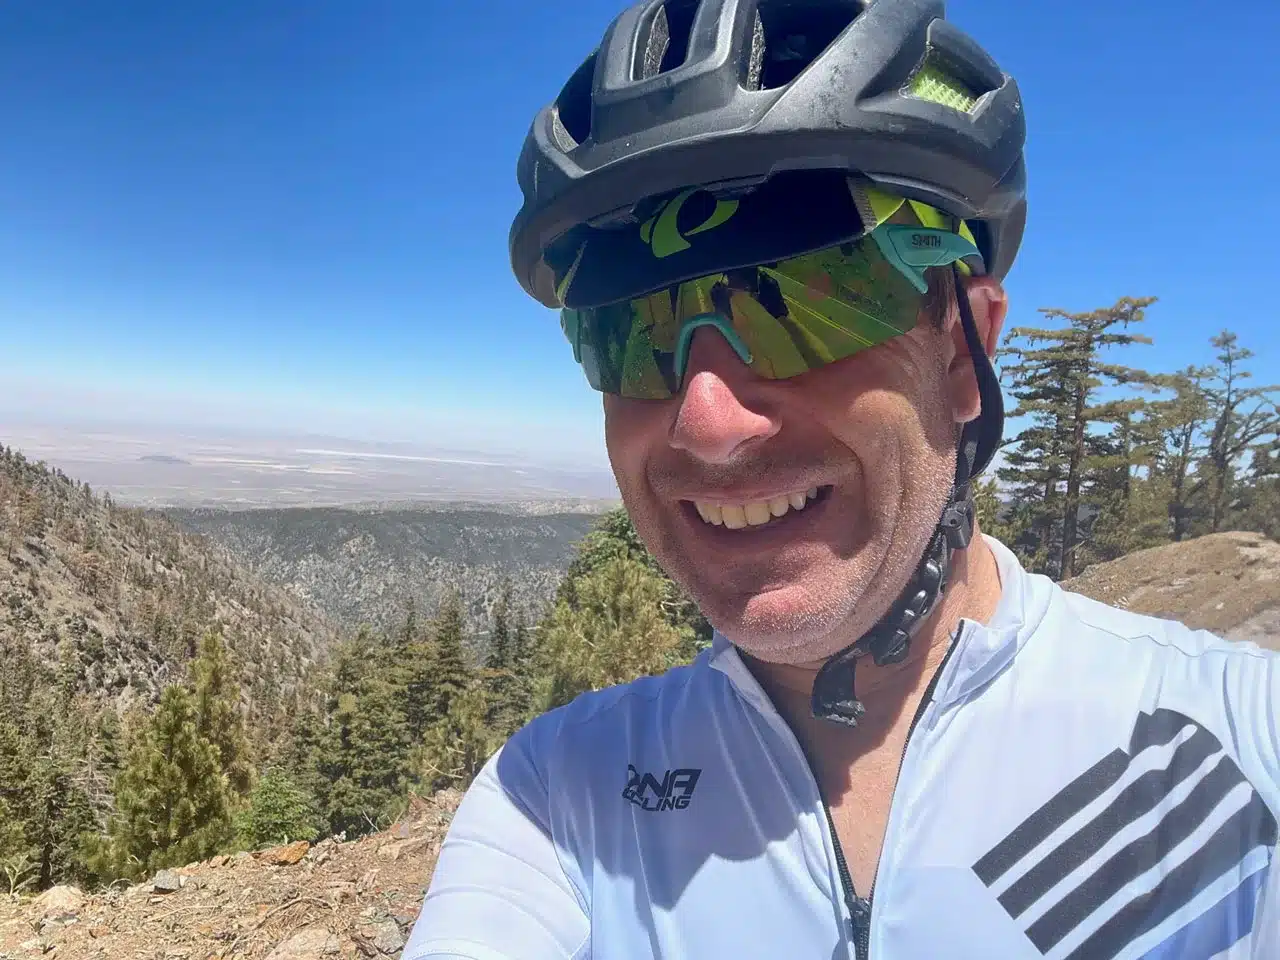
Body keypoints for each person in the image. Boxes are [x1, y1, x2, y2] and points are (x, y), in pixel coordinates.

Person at [406, 0, 1280, 956]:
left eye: (806, 304)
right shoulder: (556, 795)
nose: (706, 424)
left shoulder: (1238, 747)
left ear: (965, 349)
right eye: (630, 335)